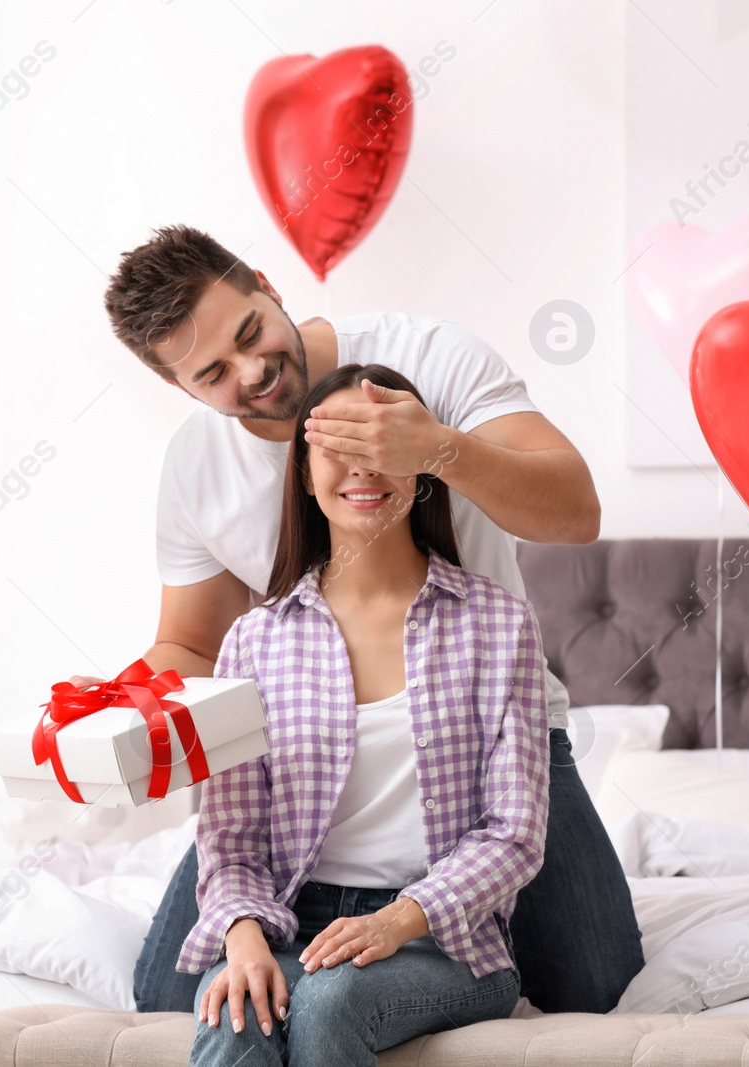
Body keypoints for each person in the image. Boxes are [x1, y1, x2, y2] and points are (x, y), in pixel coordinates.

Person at [91, 224, 643, 1015]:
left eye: (251, 332)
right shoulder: (194, 468)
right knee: (173, 993)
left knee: (591, 980)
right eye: (213, 372)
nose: (253, 372)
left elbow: (575, 510)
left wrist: (437, 448)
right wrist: (118, 706)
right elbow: (192, 642)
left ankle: (452, 944)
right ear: (180, 387)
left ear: (265, 282)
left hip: (485, 734)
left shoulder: (430, 359)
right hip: (305, 755)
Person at [183, 363, 549, 1065]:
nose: (363, 468)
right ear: (301, 469)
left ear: (423, 466)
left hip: (442, 937)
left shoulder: (498, 622)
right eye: (339, 444)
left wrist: (394, 921)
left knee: (333, 999)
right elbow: (230, 838)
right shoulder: (254, 641)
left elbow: (515, 833)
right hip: (292, 924)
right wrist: (243, 936)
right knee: (235, 1016)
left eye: (384, 444)